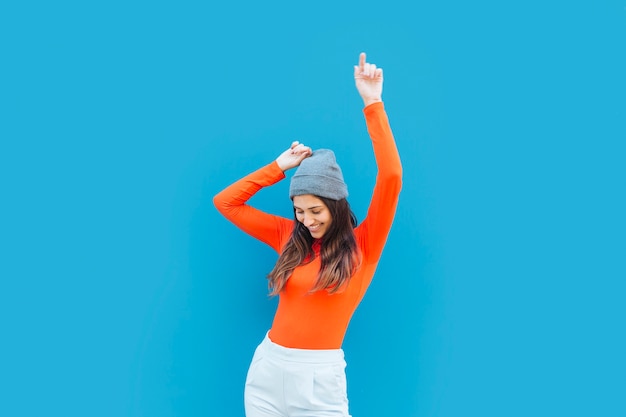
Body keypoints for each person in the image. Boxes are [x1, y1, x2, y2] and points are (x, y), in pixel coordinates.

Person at [213, 52, 402, 417]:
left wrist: (373, 103)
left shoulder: (365, 244)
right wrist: (278, 167)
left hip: (319, 381)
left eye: (316, 211)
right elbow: (226, 203)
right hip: (268, 369)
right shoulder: (289, 237)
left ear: (337, 204)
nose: (307, 220)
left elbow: (391, 177)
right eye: (299, 211)